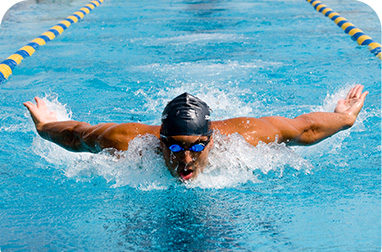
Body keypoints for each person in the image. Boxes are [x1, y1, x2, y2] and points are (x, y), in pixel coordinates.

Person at [24, 84, 368, 181]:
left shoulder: (243, 138)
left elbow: (303, 128)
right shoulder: (131, 140)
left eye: (195, 148)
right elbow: (78, 135)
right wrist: (45, 126)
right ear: (158, 139)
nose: (185, 162)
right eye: (173, 148)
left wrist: (343, 118)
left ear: (211, 139)